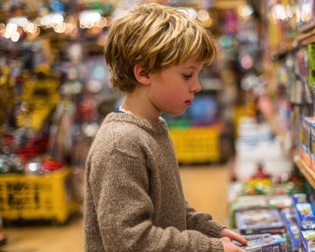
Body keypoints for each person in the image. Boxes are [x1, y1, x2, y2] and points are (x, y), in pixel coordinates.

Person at [84, 3, 247, 252]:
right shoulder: (121, 144)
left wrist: (210, 229)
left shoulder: (153, 127)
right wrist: (209, 247)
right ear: (145, 73)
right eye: (187, 75)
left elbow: (168, 207)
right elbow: (130, 241)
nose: (197, 86)